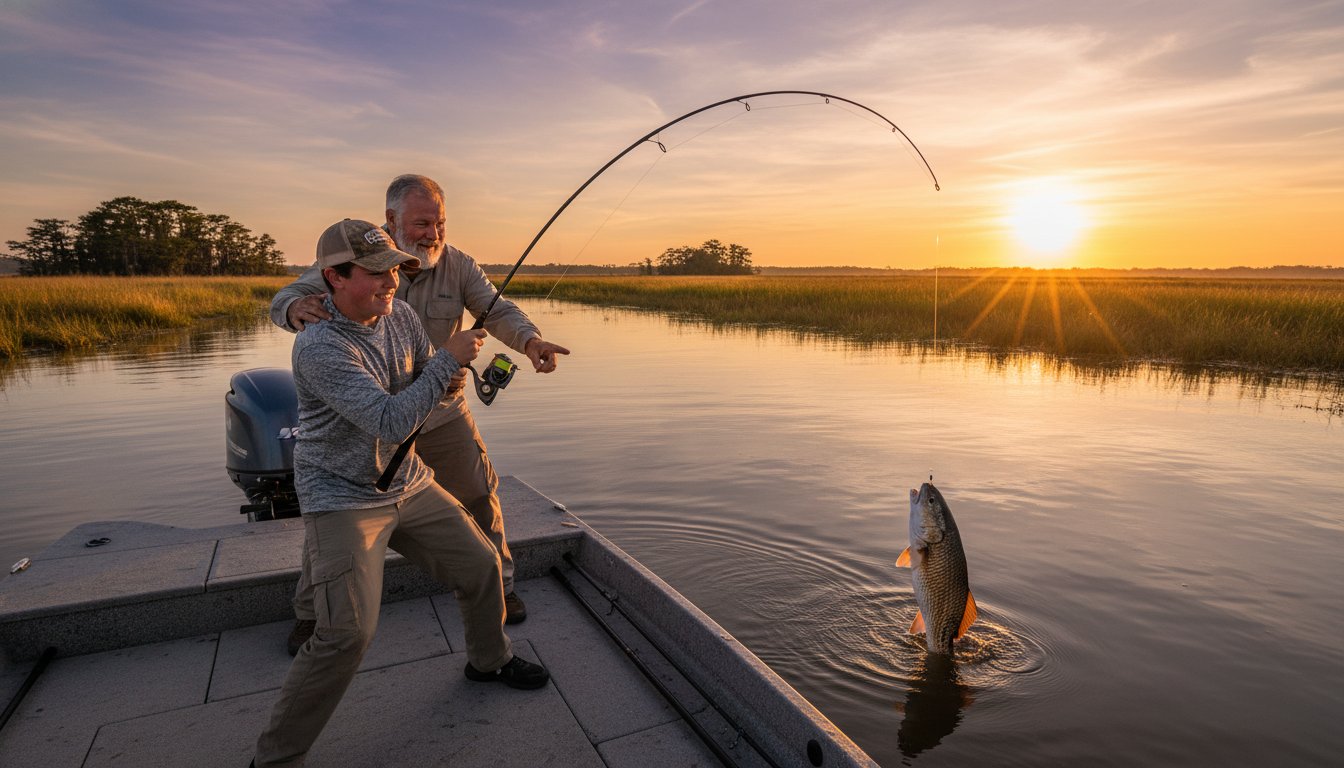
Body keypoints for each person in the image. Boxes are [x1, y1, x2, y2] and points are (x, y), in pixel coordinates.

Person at [251, 219, 549, 768]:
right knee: (346, 634)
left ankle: (489, 661)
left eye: (394, 271)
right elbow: (390, 420)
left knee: (483, 565)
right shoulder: (319, 348)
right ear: (333, 278)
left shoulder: (401, 314)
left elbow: (423, 390)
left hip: (408, 482)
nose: (392, 283)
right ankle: (274, 757)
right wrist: (446, 361)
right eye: (375, 274)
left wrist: (450, 376)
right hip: (343, 498)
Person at [273, 174, 569, 653]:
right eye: (422, 223)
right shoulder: (348, 261)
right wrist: (292, 310)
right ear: (391, 221)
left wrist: (531, 340)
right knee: (333, 519)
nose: (434, 233)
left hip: (443, 411)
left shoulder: (460, 265)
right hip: (370, 423)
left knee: (478, 494)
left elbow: (498, 311)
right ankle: (312, 614)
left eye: (441, 222)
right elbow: (286, 298)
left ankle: (500, 586)